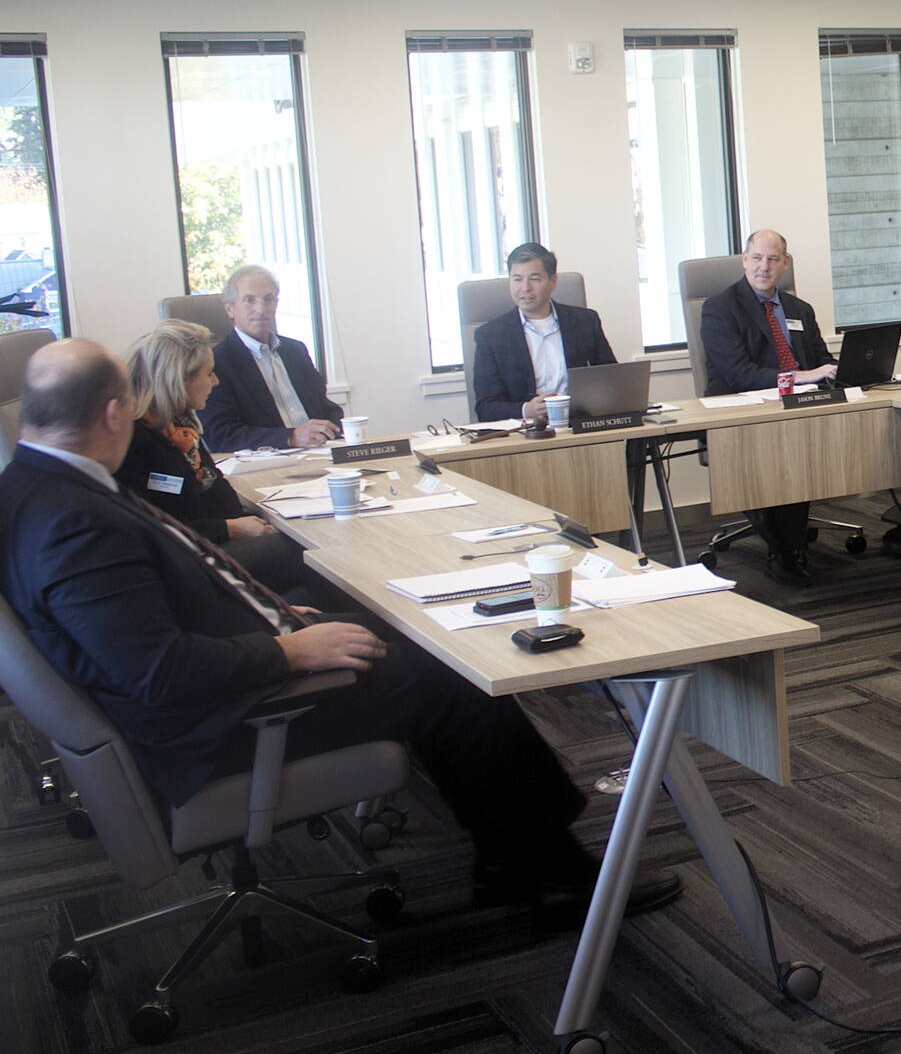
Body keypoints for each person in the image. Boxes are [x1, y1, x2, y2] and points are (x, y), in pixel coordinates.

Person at [0, 339, 676, 921]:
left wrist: (281, 620)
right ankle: (560, 875)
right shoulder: (75, 521)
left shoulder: (32, 487)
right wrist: (285, 650)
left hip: (220, 688)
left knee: (415, 639)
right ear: (115, 413)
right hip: (223, 728)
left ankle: (509, 854)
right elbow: (155, 673)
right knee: (454, 679)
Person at [117, 319, 330, 603]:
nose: (215, 382)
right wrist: (229, 528)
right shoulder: (133, 439)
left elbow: (218, 491)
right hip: (183, 561)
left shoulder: (182, 427)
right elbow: (152, 528)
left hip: (207, 542)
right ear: (181, 378)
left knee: (313, 568)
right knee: (307, 554)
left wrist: (240, 522)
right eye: (210, 374)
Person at [696, 229, 837, 587]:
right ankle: (786, 551)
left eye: (773, 259)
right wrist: (804, 376)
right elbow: (739, 374)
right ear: (744, 260)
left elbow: (822, 360)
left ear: (785, 264)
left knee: (805, 443)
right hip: (738, 413)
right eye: (757, 258)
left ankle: (788, 540)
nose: (764, 266)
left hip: (796, 409)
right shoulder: (719, 308)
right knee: (784, 452)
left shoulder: (799, 309)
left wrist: (843, 372)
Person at [199, 264, 346, 453]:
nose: (261, 309)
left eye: (268, 299)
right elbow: (220, 435)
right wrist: (290, 437)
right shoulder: (217, 362)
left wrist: (332, 429)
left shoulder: (295, 350)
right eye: (249, 300)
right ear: (230, 309)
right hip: (269, 462)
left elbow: (326, 408)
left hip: (320, 453)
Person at [471, 242, 616, 422]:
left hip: (580, 425)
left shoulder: (585, 322)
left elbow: (612, 384)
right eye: (517, 279)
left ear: (553, 281)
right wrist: (526, 410)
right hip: (524, 432)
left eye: (535, 278)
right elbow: (485, 407)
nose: (525, 287)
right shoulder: (490, 336)